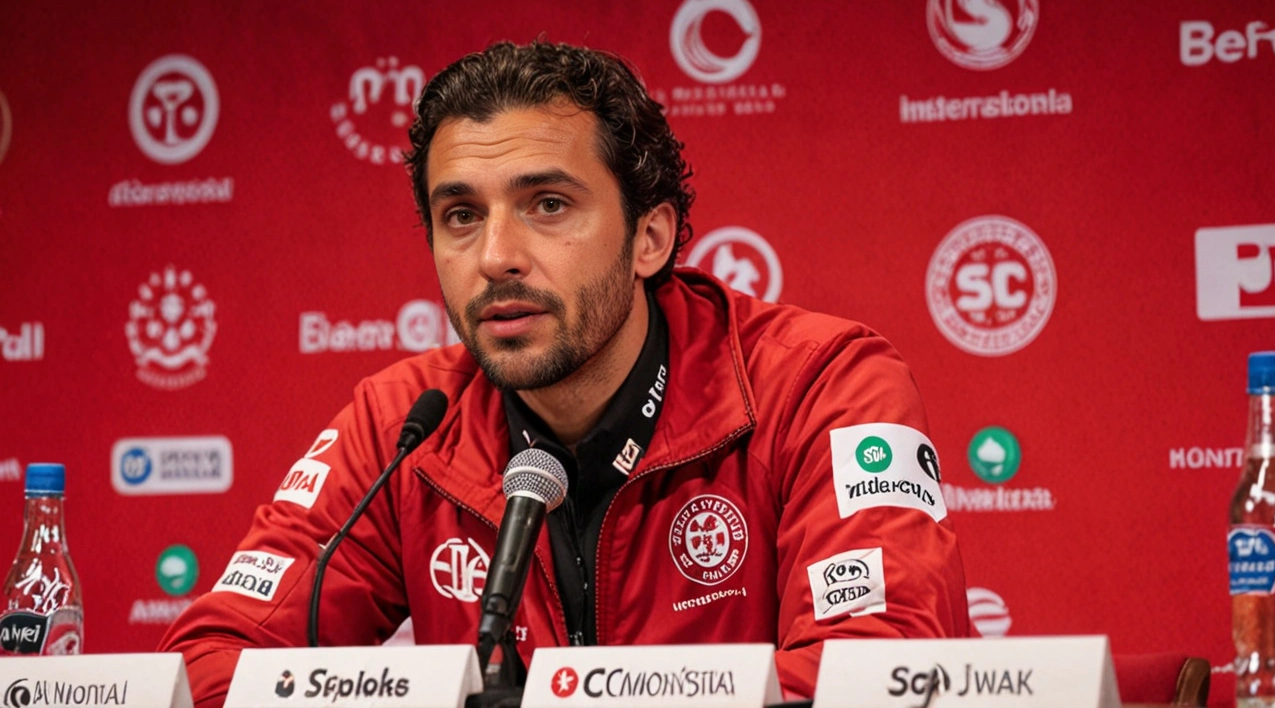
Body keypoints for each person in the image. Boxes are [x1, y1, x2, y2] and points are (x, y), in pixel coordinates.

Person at [158, 40, 970, 705]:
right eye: (461, 216)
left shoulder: (818, 384)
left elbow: (882, 678)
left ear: (651, 238)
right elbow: (209, 666)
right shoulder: (406, 422)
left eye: (548, 204)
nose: (496, 258)